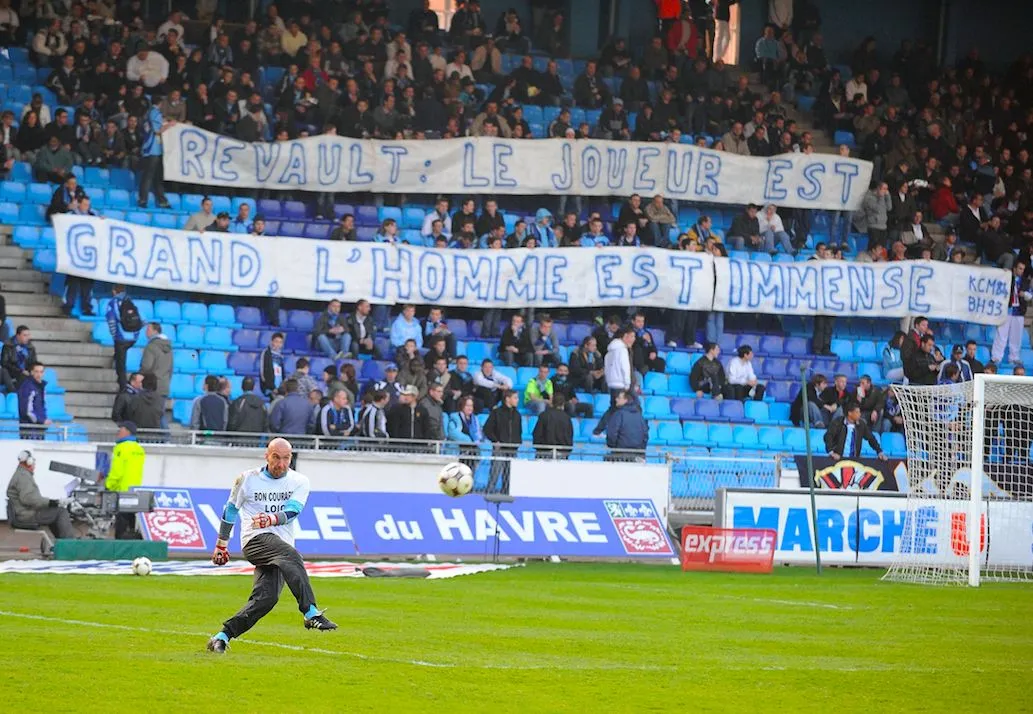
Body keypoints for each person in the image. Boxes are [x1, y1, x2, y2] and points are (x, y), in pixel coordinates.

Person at [206, 438, 337, 653]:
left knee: (266, 599)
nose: (281, 464)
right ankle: (310, 612)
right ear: (266, 456)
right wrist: (222, 544)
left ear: (291, 458)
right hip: (254, 540)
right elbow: (231, 510)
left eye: (286, 458)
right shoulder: (247, 479)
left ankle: (222, 636)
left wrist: (271, 519)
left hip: (280, 548)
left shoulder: (299, 481)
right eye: (276, 457)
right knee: (291, 555)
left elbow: (293, 511)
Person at [6, 449, 76, 539]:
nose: (34, 464)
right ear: (29, 462)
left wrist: (52, 503)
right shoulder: (23, 477)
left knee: (53, 511)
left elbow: (32, 498)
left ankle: (62, 541)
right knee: (61, 512)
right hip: (27, 515)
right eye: (33, 461)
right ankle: (69, 542)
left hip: (24, 513)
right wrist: (53, 502)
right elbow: (29, 499)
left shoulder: (21, 474)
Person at [106, 421, 146, 539]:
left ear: (127, 431)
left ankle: (120, 546)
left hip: (122, 492)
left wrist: (108, 485)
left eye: (121, 429)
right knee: (131, 524)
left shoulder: (121, 448)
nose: (118, 431)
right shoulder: (139, 449)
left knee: (121, 527)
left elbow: (117, 472)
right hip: (135, 490)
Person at [594, 328, 636, 434]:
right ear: (625, 336)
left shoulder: (610, 351)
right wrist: (627, 383)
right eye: (632, 336)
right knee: (633, 406)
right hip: (621, 383)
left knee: (614, 409)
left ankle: (599, 430)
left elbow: (607, 368)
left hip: (612, 383)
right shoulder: (622, 350)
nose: (633, 339)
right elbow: (625, 367)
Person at [992, 260, 1031, 366]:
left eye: (1023, 269)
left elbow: (1030, 295)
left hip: (1019, 311)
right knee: (1001, 334)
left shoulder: (1025, 281)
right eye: (1020, 268)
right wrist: (1003, 273)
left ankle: (1014, 357)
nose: (1021, 271)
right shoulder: (1007, 277)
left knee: (1016, 336)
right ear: (1014, 269)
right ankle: (996, 357)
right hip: (1006, 310)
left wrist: (1025, 294)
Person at [483, 389, 521, 493]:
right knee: (495, 473)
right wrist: (495, 441)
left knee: (510, 475)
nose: (517, 400)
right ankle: (489, 493)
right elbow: (487, 429)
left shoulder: (517, 414)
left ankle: (506, 493)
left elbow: (518, 431)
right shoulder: (497, 413)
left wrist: (517, 443)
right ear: (507, 399)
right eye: (515, 398)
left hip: (512, 449)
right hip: (500, 449)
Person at [106, 284, 140, 391]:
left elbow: (111, 320)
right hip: (133, 338)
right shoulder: (131, 302)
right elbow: (143, 320)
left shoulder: (113, 303)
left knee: (121, 365)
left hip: (121, 338)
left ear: (114, 291)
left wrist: (114, 335)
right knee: (120, 357)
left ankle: (123, 388)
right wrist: (136, 333)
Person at [605, 389, 648, 461]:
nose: (616, 399)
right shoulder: (640, 416)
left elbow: (611, 434)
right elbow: (645, 435)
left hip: (619, 456)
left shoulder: (618, 414)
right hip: (637, 456)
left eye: (619, 397)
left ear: (626, 400)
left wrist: (614, 447)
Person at [532, 392, 574, 459]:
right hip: (562, 455)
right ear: (563, 404)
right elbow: (570, 437)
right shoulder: (567, 418)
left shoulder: (543, 415)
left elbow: (537, 434)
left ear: (552, 402)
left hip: (544, 454)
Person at [140, 323, 173, 406]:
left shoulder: (151, 346)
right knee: (159, 411)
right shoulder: (169, 349)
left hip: (151, 387)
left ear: (155, 331)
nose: (146, 332)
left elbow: (146, 367)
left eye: (148, 329)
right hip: (164, 386)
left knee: (149, 412)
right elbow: (171, 369)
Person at [1, 325, 37, 392]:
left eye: (28, 335)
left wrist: (30, 371)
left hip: (25, 373)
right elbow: (4, 363)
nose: (27, 338)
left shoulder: (30, 348)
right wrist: (20, 371)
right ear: (18, 336)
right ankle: (14, 392)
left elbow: (34, 363)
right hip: (11, 373)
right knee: (4, 371)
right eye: (25, 335)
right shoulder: (8, 345)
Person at [18, 362, 48, 439]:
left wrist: (44, 419)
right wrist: (42, 420)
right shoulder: (27, 387)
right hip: (29, 429)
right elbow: (26, 411)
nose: (39, 374)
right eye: (36, 371)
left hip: (39, 427)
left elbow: (42, 406)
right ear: (31, 372)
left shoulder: (41, 387)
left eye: (41, 372)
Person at [259, 332, 285, 397]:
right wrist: (271, 387)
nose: (278, 344)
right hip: (270, 389)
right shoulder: (266, 353)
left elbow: (281, 373)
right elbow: (263, 372)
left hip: (279, 388)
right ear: (272, 342)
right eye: (276, 341)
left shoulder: (281, 356)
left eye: (280, 342)